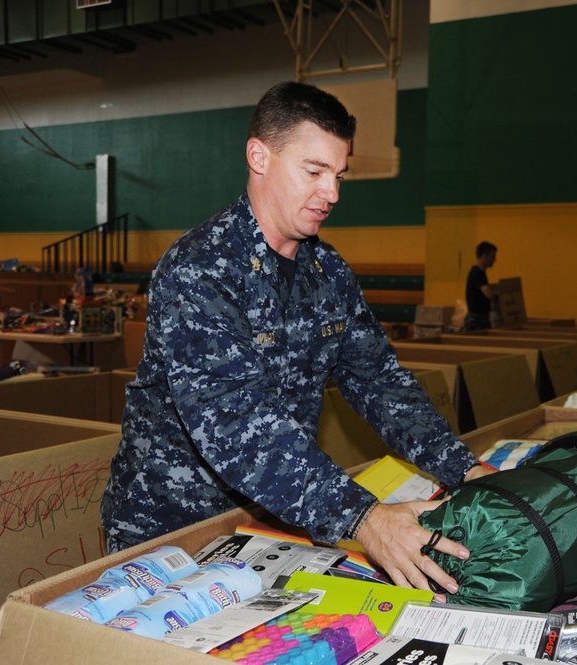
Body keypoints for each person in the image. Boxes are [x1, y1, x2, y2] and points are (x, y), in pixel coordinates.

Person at [100, 82, 494, 596]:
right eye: (314, 171)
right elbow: (237, 423)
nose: (332, 193)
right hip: (170, 533)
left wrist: (465, 469)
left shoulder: (328, 272)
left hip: (272, 518)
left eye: (339, 175)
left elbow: (380, 382)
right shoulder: (199, 269)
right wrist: (364, 519)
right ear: (259, 157)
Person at [464, 241, 498, 330]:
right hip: (476, 320)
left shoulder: (480, 273)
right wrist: (500, 294)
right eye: (492, 256)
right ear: (484, 256)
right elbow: (488, 294)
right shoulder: (477, 273)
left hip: (480, 317)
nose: (495, 259)